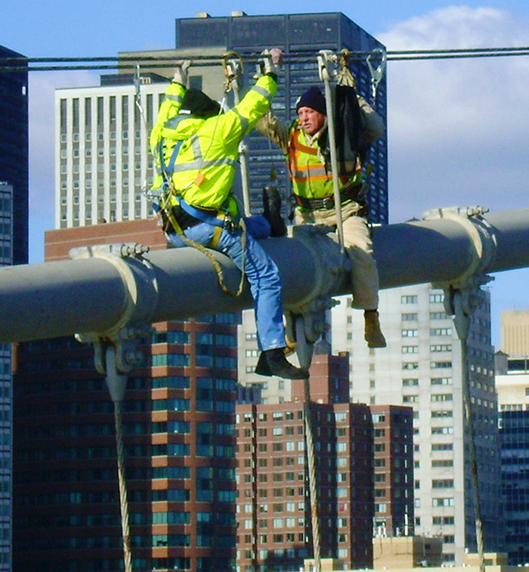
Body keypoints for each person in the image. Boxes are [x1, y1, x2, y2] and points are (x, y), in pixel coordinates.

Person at [150, 56, 307, 380]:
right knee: (267, 276)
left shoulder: (162, 134)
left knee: (239, 224)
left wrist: (179, 80)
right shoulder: (217, 130)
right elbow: (253, 106)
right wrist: (271, 72)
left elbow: (167, 106)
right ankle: (272, 353)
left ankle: (270, 223)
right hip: (209, 230)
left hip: (176, 230)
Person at [256, 81, 387, 348]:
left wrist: (353, 95)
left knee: (362, 253)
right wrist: (266, 77)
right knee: (293, 263)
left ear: (323, 113)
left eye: (309, 112)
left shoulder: (345, 132)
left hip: (345, 211)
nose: (303, 118)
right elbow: (261, 120)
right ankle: (291, 324)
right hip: (307, 215)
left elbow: (375, 128)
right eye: (300, 113)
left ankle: (370, 316)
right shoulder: (291, 136)